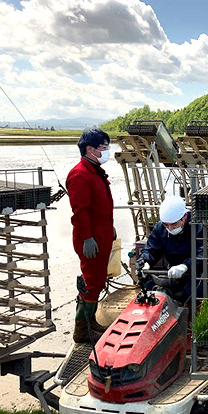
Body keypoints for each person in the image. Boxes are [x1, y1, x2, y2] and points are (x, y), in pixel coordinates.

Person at [66, 128, 116, 343]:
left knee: (97, 280)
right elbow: (80, 211)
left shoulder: (95, 171)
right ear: (90, 149)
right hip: (91, 239)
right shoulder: (80, 174)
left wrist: (110, 227)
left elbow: (101, 206)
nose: (106, 152)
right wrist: (87, 238)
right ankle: (82, 331)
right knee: (91, 282)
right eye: (104, 148)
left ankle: (91, 321)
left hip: (101, 234)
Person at [135, 195, 208, 304]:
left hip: (199, 271)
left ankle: (191, 317)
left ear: (184, 216)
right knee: (148, 289)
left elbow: (206, 252)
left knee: (191, 295)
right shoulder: (160, 228)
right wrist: (145, 261)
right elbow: (151, 248)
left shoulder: (199, 226)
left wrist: (186, 266)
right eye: (166, 225)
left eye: (174, 224)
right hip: (173, 271)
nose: (170, 229)